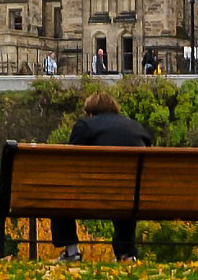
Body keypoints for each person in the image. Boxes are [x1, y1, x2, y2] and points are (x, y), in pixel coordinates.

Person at [49, 88, 151, 260]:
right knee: (126, 188)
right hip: (133, 195)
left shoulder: (85, 126)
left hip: (94, 192)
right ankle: (126, 253)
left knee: (60, 189)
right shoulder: (137, 128)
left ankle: (72, 251)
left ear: (90, 113)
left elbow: (71, 164)